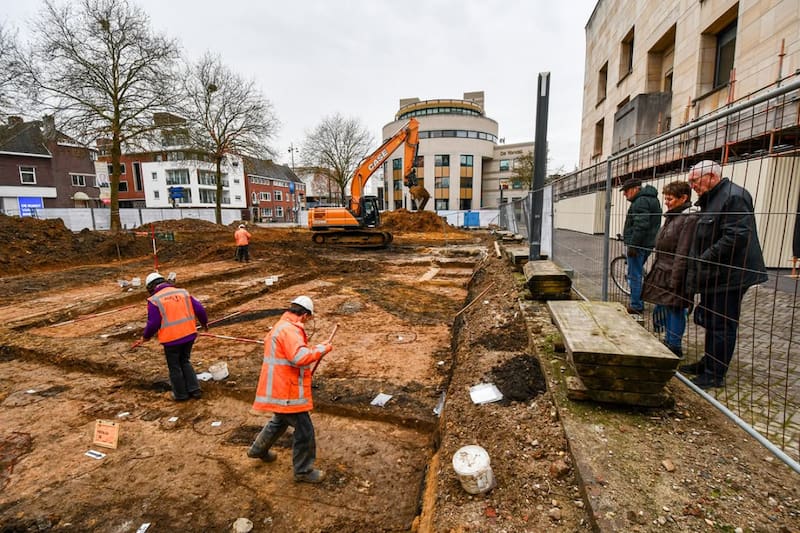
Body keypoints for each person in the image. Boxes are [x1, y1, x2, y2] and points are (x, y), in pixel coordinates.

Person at [682, 160, 768, 389]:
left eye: (695, 180)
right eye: (690, 181)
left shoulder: (734, 197)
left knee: (722, 323)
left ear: (711, 176)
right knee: (712, 320)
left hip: (730, 275)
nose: (692, 186)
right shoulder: (713, 198)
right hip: (715, 272)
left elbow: (736, 236)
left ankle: (714, 374)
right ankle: (708, 362)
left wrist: (705, 257)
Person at [248, 295, 333, 484]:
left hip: (278, 387)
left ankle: (258, 449)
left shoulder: (282, 326)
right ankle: (303, 471)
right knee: (304, 430)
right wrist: (322, 349)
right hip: (286, 391)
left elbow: (293, 354)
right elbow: (299, 357)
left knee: (279, 421)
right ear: (304, 315)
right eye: (309, 318)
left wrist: (315, 348)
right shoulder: (290, 330)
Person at [642, 181, 699, 358]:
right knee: (668, 306)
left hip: (675, 272)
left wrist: (676, 279)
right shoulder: (674, 216)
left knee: (676, 307)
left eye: (670, 199)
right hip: (665, 269)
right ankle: (668, 340)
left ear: (683, 198)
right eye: (665, 198)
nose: (666, 202)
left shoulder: (688, 219)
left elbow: (683, 251)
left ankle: (674, 346)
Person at [139, 272, 208, 401]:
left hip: (171, 339)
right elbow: (199, 309)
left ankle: (181, 395)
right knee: (185, 361)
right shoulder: (183, 292)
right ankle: (195, 390)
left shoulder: (154, 300)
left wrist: (146, 336)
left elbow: (153, 323)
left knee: (175, 366)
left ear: (150, 287)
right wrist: (204, 323)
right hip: (189, 334)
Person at [620, 176, 662, 315]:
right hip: (647, 243)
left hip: (639, 245)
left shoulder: (640, 201)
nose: (624, 194)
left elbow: (641, 225)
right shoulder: (652, 199)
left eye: (626, 190)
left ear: (635, 189)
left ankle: (636, 305)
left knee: (634, 275)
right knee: (637, 272)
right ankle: (639, 300)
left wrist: (633, 245)